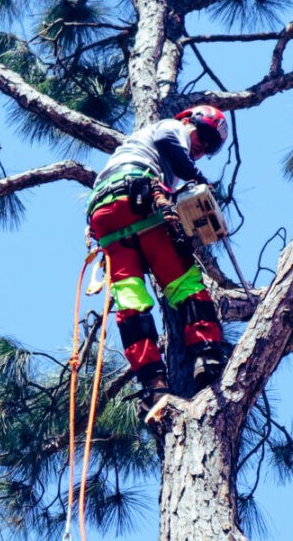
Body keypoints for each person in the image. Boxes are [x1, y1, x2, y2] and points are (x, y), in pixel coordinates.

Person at [86, 105, 228, 407]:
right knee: (184, 283)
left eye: (210, 148)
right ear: (188, 120)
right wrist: (200, 179)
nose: (202, 147)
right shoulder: (169, 128)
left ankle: (154, 383)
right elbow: (168, 142)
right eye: (203, 135)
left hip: (104, 216)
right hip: (138, 197)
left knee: (130, 300)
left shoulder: (140, 154)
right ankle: (206, 354)